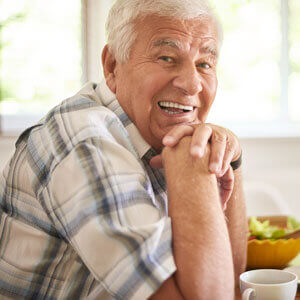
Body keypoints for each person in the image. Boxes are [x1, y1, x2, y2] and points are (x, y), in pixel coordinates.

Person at [0, 0, 248, 299]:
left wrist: (230, 160)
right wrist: (193, 161)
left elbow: (235, 283)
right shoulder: (85, 140)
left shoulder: (150, 131)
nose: (192, 84)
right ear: (112, 66)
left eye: (204, 64)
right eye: (167, 57)